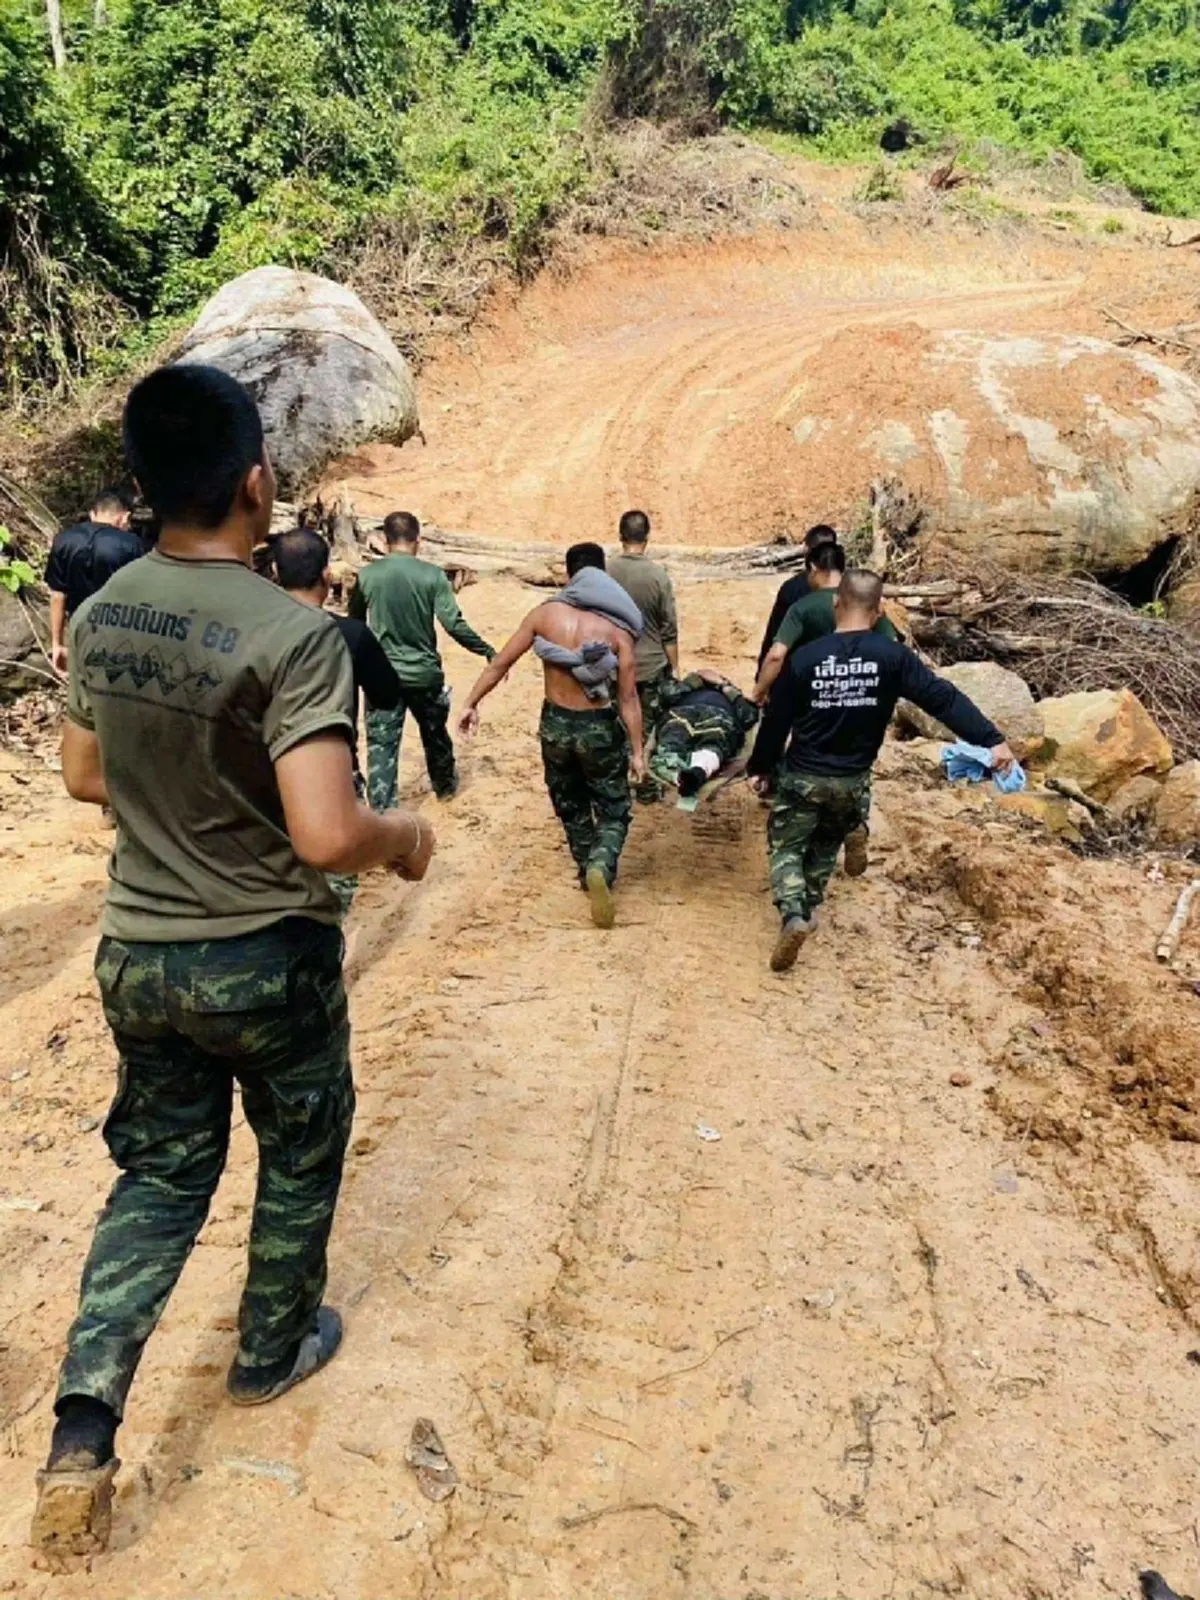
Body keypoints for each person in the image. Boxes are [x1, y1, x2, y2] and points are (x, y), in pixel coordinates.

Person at [32, 365, 435, 1568]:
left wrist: (182, 802)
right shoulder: (295, 635)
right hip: (267, 960)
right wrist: (403, 837)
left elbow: (85, 776)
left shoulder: (105, 612)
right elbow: (326, 833)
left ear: (145, 484)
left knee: (159, 1178)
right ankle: (268, 1351)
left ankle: (83, 1428)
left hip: (139, 955)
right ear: (257, 482)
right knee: (301, 1148)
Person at [747, 568, 1014, 973]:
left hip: (803, 775)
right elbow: (941, 699)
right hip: (852, 780)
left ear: (836, 604)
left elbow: (777, 721)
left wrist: (762, 767)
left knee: (786, 846)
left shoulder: (805, 659)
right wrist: (990, 739)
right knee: (826, 844)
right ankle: (811, 903)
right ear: (879, 610)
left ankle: (793, 913)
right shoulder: (893, 657)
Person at [458, 542, 645, 929]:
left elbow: (500, 663)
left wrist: (471, 702)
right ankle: (600, 864)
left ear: (568, 574)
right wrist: (638, 751)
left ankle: (586, 869)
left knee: (570, 803)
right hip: (598, 726)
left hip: (555, 726)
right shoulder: (616, 631)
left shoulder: (544, 616)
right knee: (614, 808)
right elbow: (629, 699)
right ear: (603, 575)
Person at [272, 527, 402, 919]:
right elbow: (387, 696)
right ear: (327, 576)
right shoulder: (351, 635)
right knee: (336, 884)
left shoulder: (248, 631)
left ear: (274, 573)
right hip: (331, 778)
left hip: (258, 775)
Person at [348, 511, 495, 806]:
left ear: (384, 540)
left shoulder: (367, 576)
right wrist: (486, 650)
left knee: (381, 747)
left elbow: (355, 625)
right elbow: (453, 624)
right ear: (419, 539)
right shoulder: (432, 575)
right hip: (424, 674)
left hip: (381, 677)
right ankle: (445, 789)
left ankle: (383, 810)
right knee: (435, 735)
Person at [753, 543, 898, 704]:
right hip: (859, 695)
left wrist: (759, 691)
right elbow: (892, 645)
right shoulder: (864, 604)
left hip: (814, 698)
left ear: (813, 569)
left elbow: (776, 656)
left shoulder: (801, 608)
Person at [608, 510, 678, 799]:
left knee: (615, 725)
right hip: (649, 666)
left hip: (613, 665)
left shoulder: (605, 572)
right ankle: (646, 785)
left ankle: (616, 784)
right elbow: (668, 628)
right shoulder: (658, 576)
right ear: (647, 538)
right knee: (648, 730)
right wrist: (674, 668)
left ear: (620, 536)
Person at [45, 487, 143, 677]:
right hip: (118, 633)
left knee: (81, 680)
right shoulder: (131, 544)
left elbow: (57, 595)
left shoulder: (63, 540)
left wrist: (57, 644)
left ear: (92, 513)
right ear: (124, 516)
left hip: (79, 629)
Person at [648, 669, 760, 798]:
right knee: (710, 746)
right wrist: (696, 683)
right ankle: (694, 772)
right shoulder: (731, 696)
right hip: (698, 715)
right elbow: (749, 716)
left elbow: (749, 715)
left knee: (676, 744)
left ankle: (684, 776)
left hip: (701, 715)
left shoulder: (729, 694)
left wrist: (720, 685)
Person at [756, 523, 839, 672]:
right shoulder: (855, 587)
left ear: (806, 549)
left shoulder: (792, 588)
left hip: (801, 672)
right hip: (842, 670)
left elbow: (775, 638)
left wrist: (762, 674)